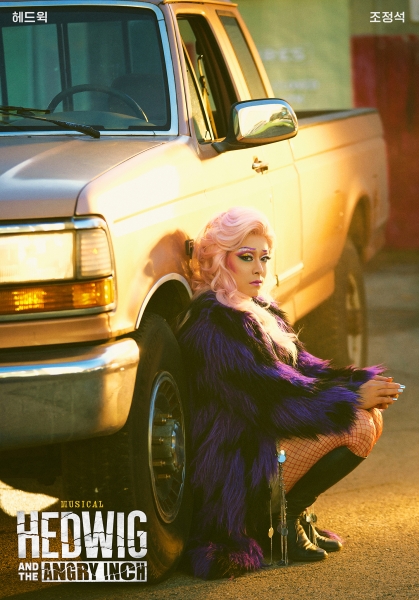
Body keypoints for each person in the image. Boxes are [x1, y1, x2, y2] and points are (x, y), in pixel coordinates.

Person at [176, 206, 403, 580]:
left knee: (370, 416)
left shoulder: (257, 310)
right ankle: (280, 520)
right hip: (240, 462)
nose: (259, 269)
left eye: (264, 258)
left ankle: (294, 511)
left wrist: (357, 385)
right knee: (358, 426)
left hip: (262, 438)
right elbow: (271, 399)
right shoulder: (213, 326)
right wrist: (349, 400)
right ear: (220, 259)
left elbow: (305, 371)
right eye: (246, 258)